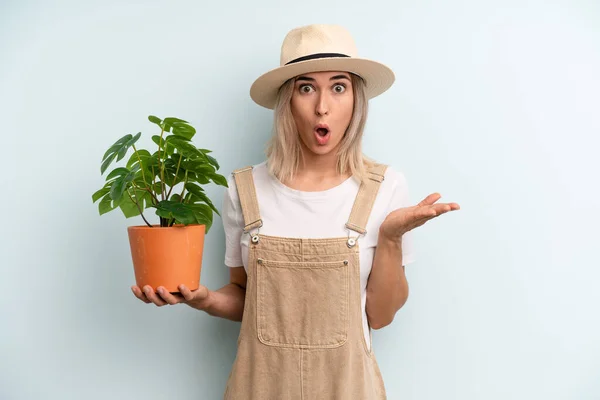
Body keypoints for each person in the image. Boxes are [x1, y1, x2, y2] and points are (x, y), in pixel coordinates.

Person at [132, 23, 460, 399]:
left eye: (339, 87)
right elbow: (246, 298)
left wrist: (390, 237)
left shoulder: (385, 188)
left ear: (357, 99)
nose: (322, 106)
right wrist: (205, 299)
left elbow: (381, 317)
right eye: (307, 88)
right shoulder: (246, 190)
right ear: (288, 99)